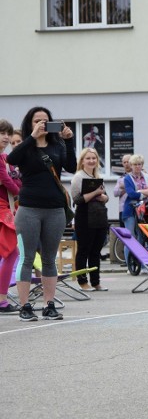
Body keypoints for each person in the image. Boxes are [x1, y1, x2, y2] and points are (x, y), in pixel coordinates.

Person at [8, 106, 76, 321]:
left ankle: (49, 304)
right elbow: (12, 160)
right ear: (30, 123)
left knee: (49, 259)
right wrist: (31, 137)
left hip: (55, 209)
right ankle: (25, 305)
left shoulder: (57, 145)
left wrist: (69, 140)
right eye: (37, 120)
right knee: (27, 258)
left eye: (46, 120)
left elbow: (72, 167)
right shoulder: (26, 146)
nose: (42, 124)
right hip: (29, 209)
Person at [70, 148, 110, 291]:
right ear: (82, 161)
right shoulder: (78, 177)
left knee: (96, 251)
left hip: (99, 217)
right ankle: (82, 282)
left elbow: (105, 196)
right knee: (84, 250)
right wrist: (96, 193)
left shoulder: (96, 176)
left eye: (94, 158)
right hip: (84, 218)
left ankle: (95, 281)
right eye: (88, 158)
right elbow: (77, 200)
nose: (91, 161)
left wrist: (104, 197)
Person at [0, 120, 21, 313]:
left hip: (6, 208)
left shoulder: (5, 158)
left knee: (9, 252)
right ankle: (2, 299)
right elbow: (8, 180)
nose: (6, 137)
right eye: (2, 133)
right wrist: (18, 191)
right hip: (2, 210)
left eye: (8, 133)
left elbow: (15, 178)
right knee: (11, 252)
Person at [121, 154, 148, 266]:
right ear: (131, 165)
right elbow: (131, 194)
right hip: (130, 211)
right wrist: (145, 192)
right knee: (130, 238)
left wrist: (139, 192)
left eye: (139, 164)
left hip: (144, 211)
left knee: (141, 238)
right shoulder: (127, 178)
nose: (137, 166)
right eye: (135, 164)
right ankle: (129, 264)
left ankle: (140, 264)